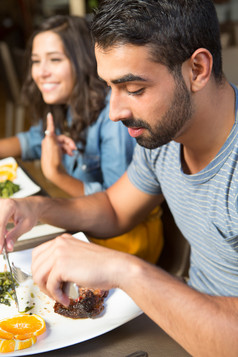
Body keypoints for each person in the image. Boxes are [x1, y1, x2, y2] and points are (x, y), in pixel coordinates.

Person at [0, 0, 237, 355]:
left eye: (135, 89)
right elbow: (114, 208)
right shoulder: (163, 136)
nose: (114, 112)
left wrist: (125, 270)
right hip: (177, 318)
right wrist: (36, 206)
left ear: (198, 69)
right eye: (110, 87)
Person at [0, 14, 163, 264]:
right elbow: (34, 139)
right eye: (35, 61)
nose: (41, 72)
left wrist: (56, 174)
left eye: (54, 59)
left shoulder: (114, 117)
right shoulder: (64, 104)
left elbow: (114, 204)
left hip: (127, 242)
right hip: (86, 225)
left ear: (83, 61)